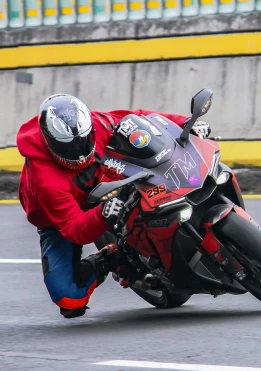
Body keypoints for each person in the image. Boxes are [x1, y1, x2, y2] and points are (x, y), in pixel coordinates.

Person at [17, 94, 211, 319]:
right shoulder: (45, 180)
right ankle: (111, 258)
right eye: (70, 147)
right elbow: (74, 228)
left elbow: (141, 120)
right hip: (62, 220)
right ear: (50, 141)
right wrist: (103, 213)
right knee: (69, 299)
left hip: (109, 181)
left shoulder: (98, 123)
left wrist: (184, 123)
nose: (80, 152)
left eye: (84, 139)